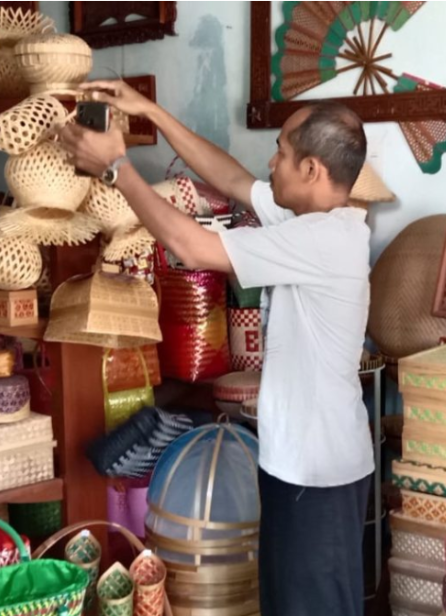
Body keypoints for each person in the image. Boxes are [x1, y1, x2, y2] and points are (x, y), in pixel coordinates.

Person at [58, 80, 374, 616]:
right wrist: (152, 111)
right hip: (300, 463)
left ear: (313, 172)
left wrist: (118, 169)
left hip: (318, 472)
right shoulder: (315, 222)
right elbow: (228, 177)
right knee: (288, 602)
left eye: (282, 151)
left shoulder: (323, 240)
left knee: (313, 606)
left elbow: (189, 245)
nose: (271, 161)